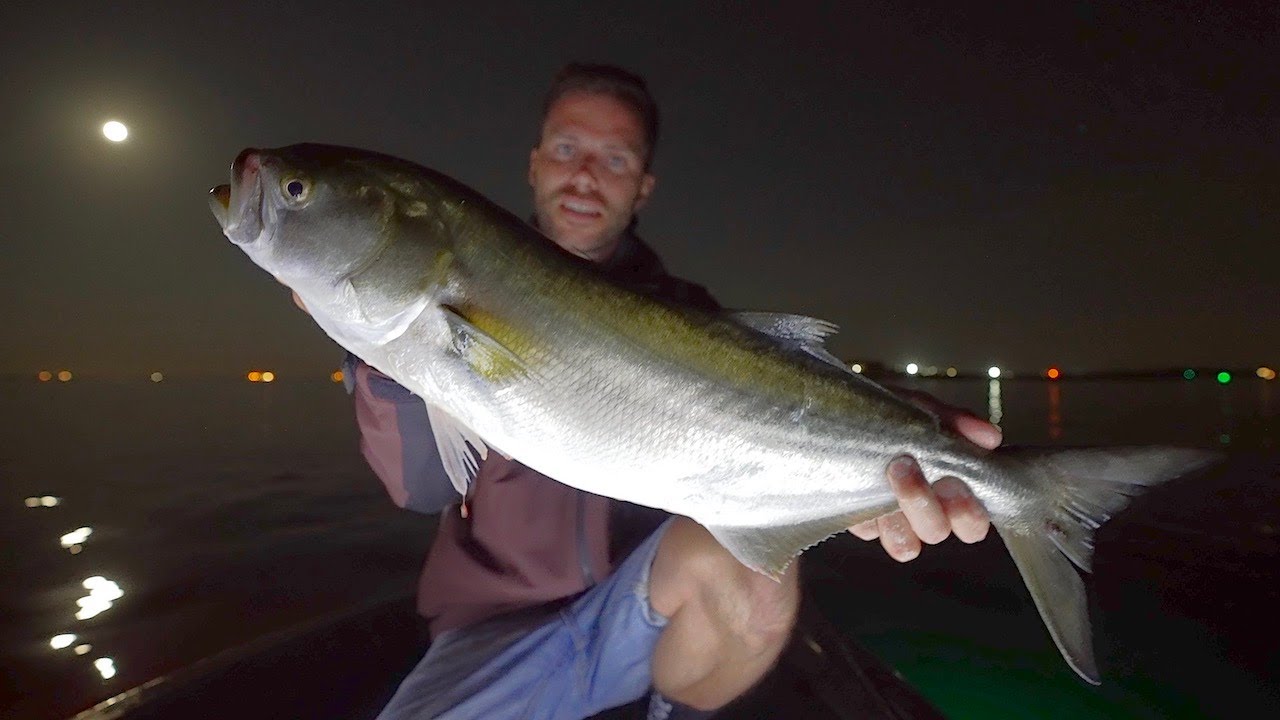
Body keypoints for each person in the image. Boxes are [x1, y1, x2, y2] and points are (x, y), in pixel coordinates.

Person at [328, 63, 998, 720]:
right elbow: (422, 487)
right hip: (493, 629)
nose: (586, 174)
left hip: (651, 615)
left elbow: (779, 437)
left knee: (755, 571)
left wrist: (881, 464)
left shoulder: (696, 318)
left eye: (615, 159)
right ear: (534, 164)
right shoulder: (452, 285)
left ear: (642, 187)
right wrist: (386, 349)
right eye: (567, 149)